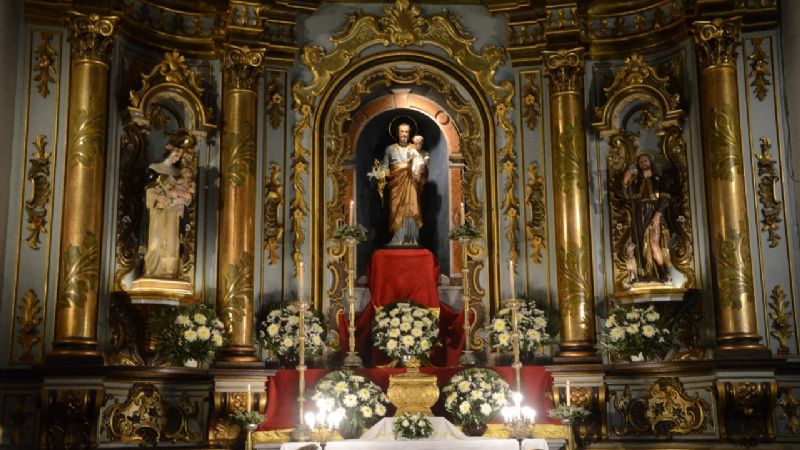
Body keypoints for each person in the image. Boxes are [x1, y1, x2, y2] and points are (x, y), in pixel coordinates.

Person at [142, 134, 196, 278]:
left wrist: (188, 198)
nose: (177, 158)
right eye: (176, 154)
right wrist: (157, 197)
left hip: (174, 213)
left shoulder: (179, 174)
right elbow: (147, 192)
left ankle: (170, 271)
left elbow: (188, 195)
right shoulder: (154, 168)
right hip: (158, 212)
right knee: (156, 240)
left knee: (173, 241)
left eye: (180, 156)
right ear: (169, 151)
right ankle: (153, 270)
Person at [369, 122, 429, 246]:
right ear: (397, 133)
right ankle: (397, 239)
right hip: (396, 183)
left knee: (412, 207)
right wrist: (380, 173)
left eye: (406, 132)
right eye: (402, 131)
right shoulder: (390, 149)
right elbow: (385, 167)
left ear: (410, 134)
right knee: (395, 209)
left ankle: (412, 239)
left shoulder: (414, 147)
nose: (404, 134)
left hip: (411, 182)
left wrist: (421, 167)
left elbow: (423, 161)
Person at [621, 152, 672, 284]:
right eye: (640, 161)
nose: (643, 162)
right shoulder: (636, 181)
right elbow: (628, 198)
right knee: (642, 245)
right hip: (640, 215)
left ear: (650, 162)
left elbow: (665, 198)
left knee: (654, 244)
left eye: (645, 160)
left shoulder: (659, 179)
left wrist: (657, 215)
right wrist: (625, 182)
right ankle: (647, 273)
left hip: (654, 213)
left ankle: (663, 273)